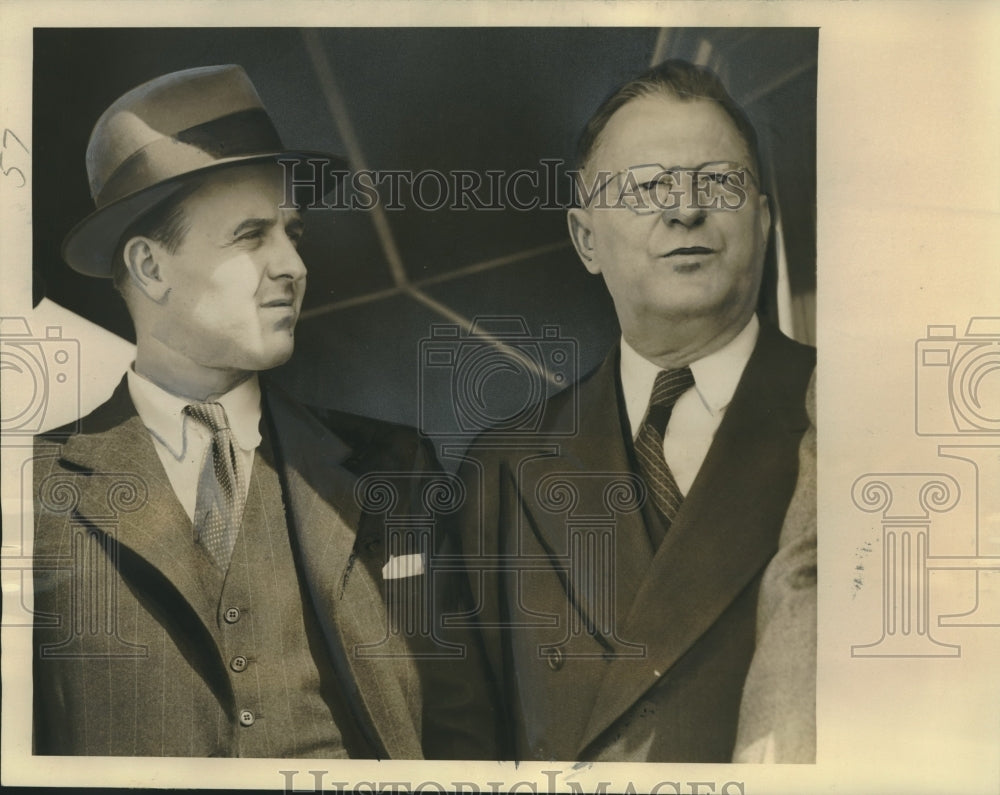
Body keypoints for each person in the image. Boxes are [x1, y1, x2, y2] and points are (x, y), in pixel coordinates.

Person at [32, 64, 496, 758]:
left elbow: (464, 744)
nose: (292, 266)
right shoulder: (34, 490)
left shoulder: (396, 471)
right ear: (151, 268)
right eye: (251, 236)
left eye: (293, 233)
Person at [456, 59, 815, 762]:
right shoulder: (501, 468)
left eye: (718, 182)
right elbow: (465, 744)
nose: (686, 209)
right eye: (648, 187)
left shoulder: (848, 415)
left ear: (765, 220)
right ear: (585, 239)